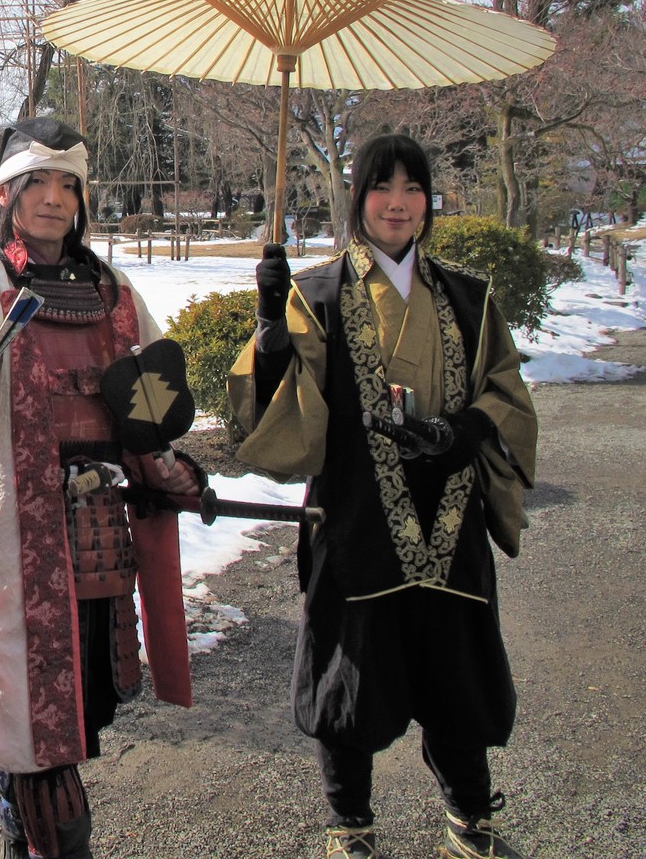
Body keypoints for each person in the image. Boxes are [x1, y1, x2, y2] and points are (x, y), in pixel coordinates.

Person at [228, 134, 538, 859]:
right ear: (356, 199)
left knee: (457, 676)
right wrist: (272, 325)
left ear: (429, 200)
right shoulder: (319, 294)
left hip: (449, 520)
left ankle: (470, 816)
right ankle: (351, 825)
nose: (397, 203)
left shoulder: (468, 296)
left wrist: (464, 431)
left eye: (412, 187)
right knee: (350, 683)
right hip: (358, 519)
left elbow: (507, 394)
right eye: (380, 186)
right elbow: (281, 409)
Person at [0, 118, 200, 859]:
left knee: (78, 714)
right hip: (17, 541)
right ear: (6, 192)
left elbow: (148, 403)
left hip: (101, 539)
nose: (54, 198)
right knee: (35, 738)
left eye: (68, 183)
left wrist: (168, 465)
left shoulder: (112, 289)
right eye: (37, 181)